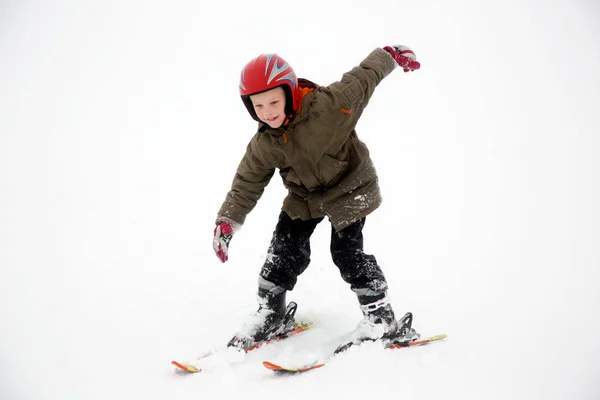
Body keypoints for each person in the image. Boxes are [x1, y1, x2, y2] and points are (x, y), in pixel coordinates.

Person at [212, 45, 421, 351]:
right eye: (258, 106)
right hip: (305, 196)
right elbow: (247, 181)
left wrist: (390, 55)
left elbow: (362, 79)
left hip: (349, 188)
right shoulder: (265, 142)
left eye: (273, 101)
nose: (268, 112)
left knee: (346, 253)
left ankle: (380, 319)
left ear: (289, 92)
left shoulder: (328, 107)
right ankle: (271, 312)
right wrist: (228, 219)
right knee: (283, 249)